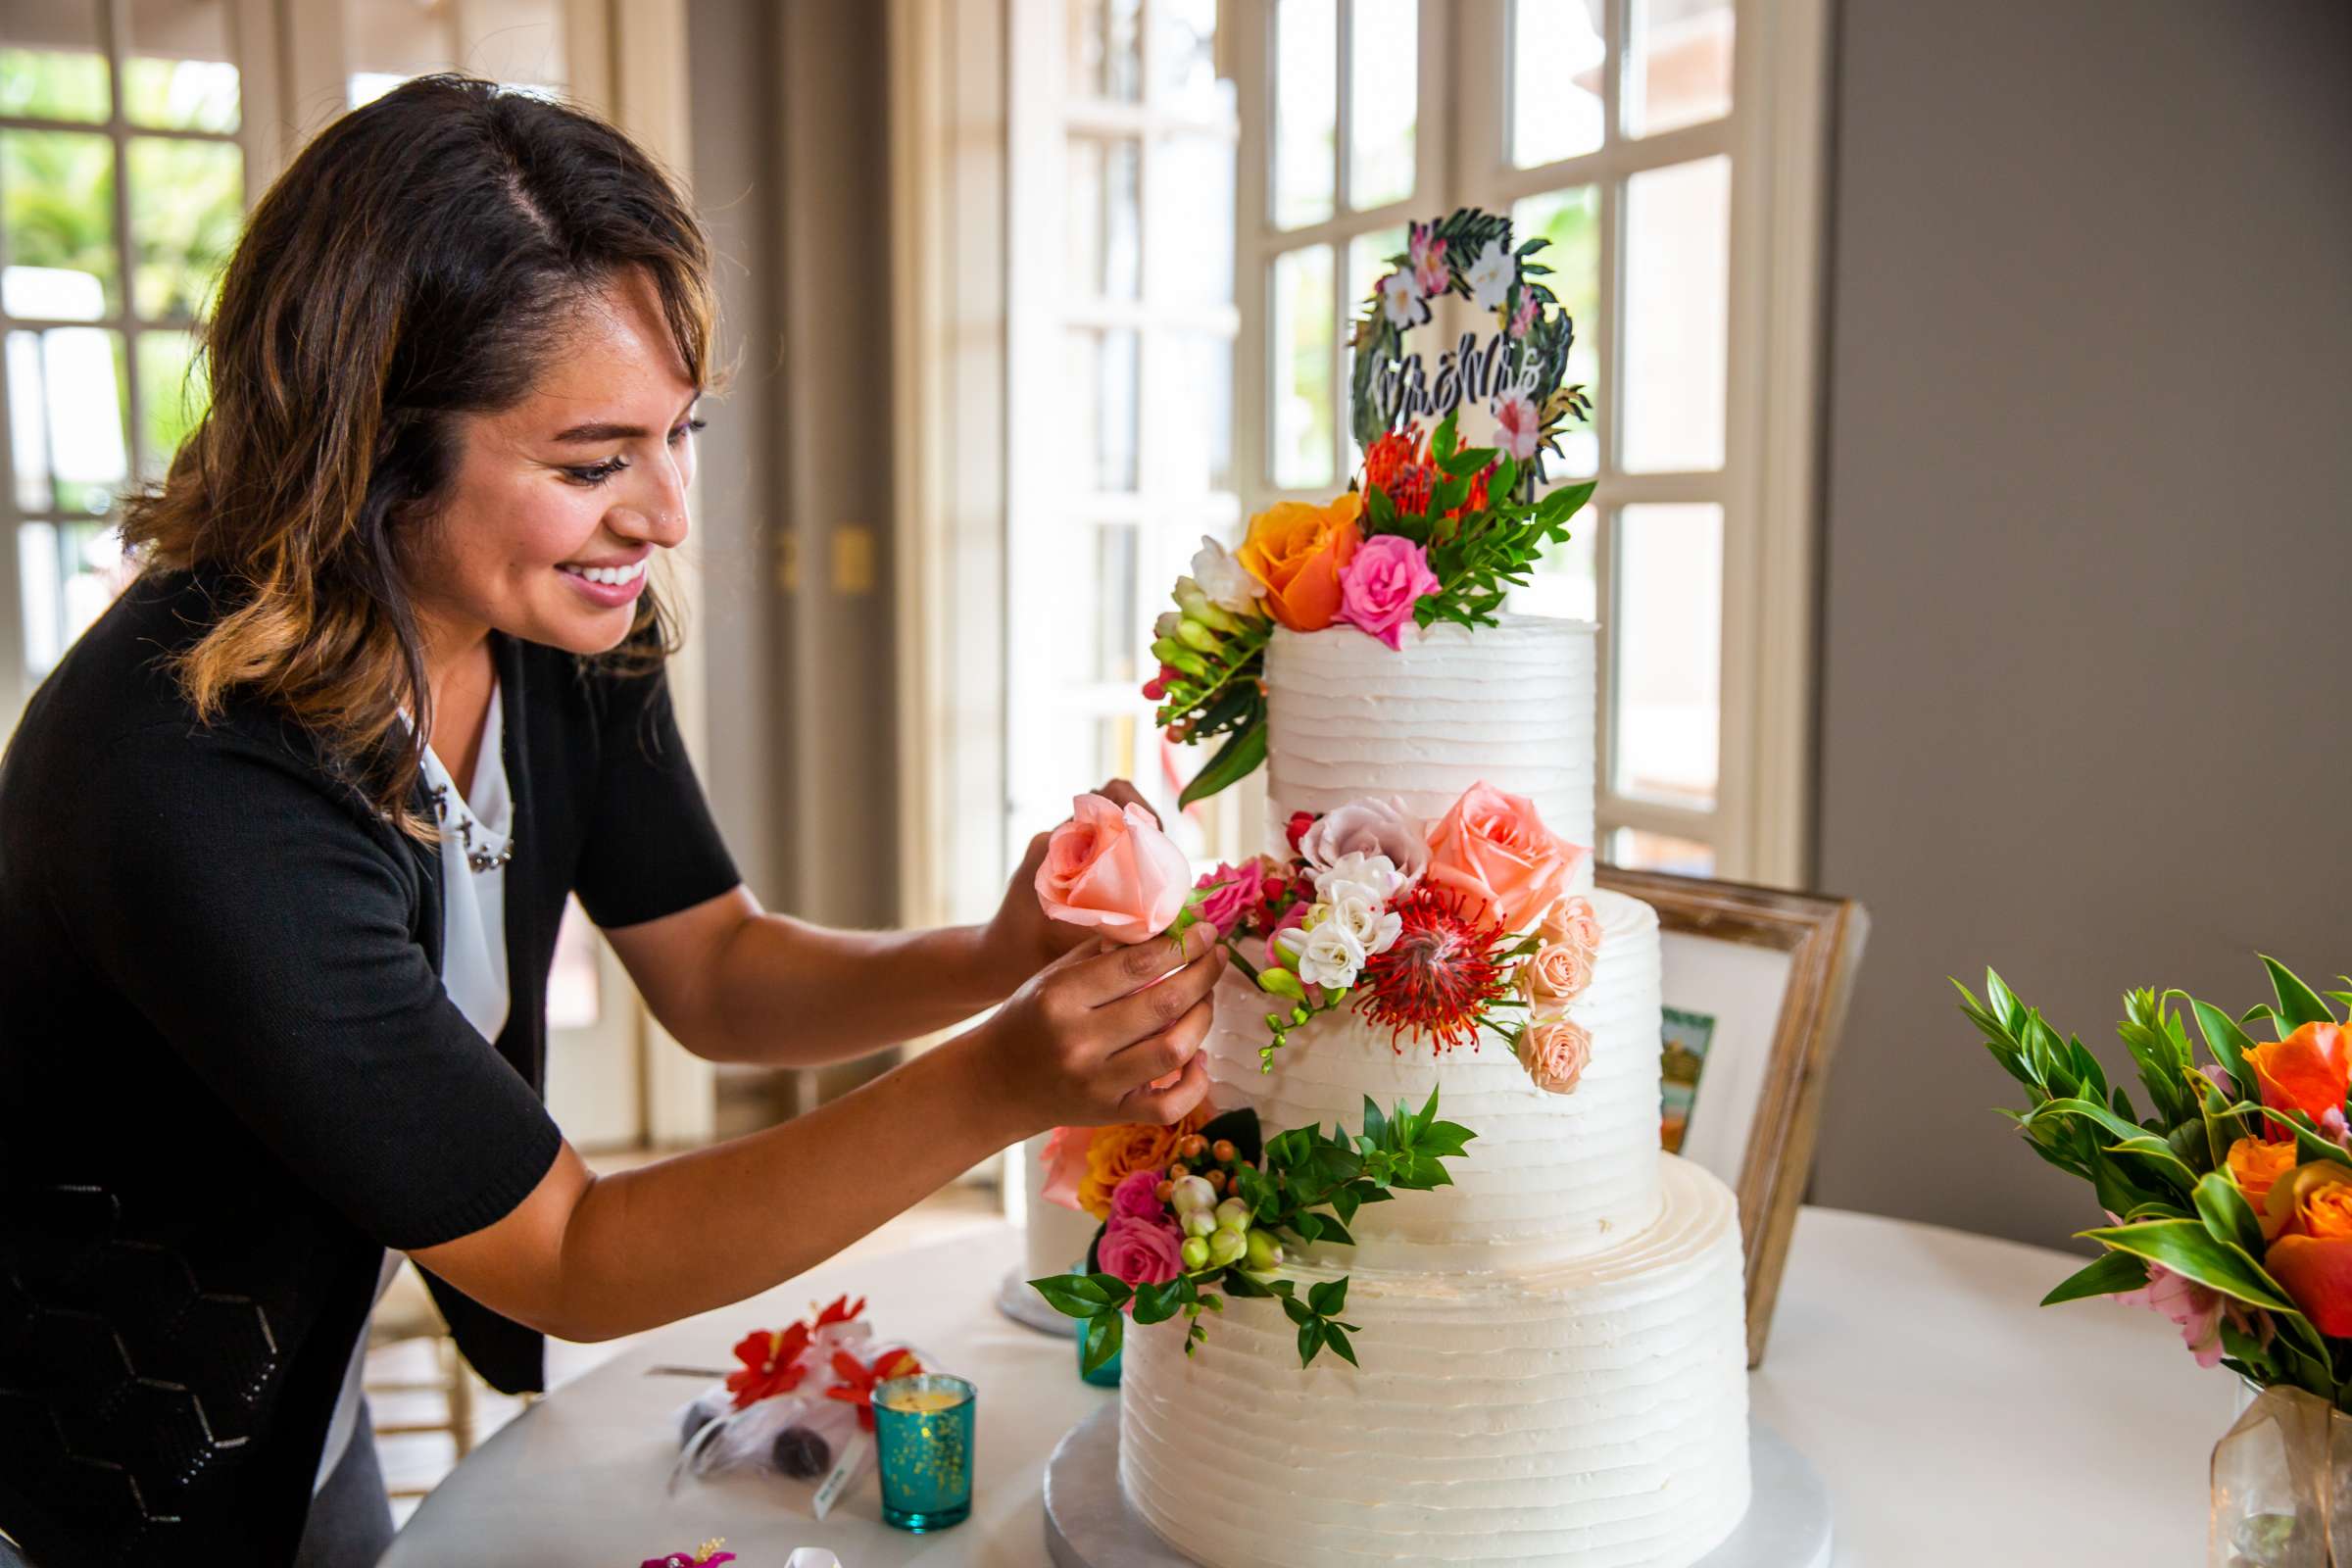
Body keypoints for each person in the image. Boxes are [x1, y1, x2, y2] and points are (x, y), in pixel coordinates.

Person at [0, 74, 1220, 1568]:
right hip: (87, 1465)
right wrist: (1002, 1082)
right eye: (593, 465)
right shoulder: (186, 771)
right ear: (371, 450)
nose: (666, 515)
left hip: (303, 1396)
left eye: (677, 433)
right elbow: (567, 1253)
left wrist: (998, 953)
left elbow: (714, 964)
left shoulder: (554, 625)